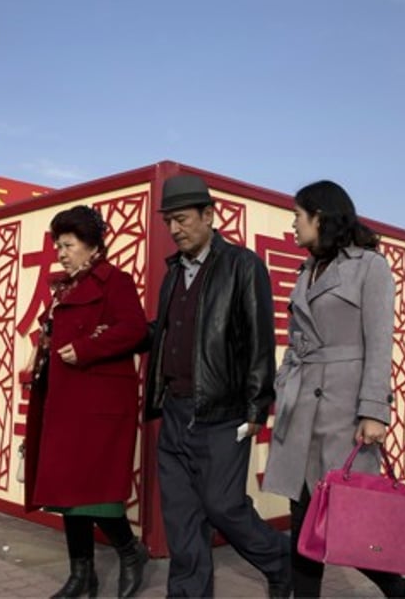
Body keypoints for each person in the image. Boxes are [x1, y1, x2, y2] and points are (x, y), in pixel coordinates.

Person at [262, 180, 405, 598]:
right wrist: (284, 384)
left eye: (298, 216)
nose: (293, 225)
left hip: (343, 412)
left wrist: (374, 409)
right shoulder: (306, 270)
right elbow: (296, 340)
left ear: (319, 217)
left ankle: (402, 592)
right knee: (303, 520)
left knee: (347, 519)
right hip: (301, 409)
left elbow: (380, 340)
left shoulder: (369, 266)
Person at [144, 174, 290, 598]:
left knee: (223, 506)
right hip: (174, 409)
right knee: (182, 515)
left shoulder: (242, 266)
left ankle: (281, 561)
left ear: (209, 215)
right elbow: (166, 330)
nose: (174, 229)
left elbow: (261, 342)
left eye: (182, 219)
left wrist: (256, 409)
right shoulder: (173, 275)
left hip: (222, 414)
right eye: (168, 221)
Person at [23, 205, 150, 598]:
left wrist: (86, 347)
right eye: (58, 245)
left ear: (92, 246)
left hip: (99, 407)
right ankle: (83, 575)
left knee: (96, 496)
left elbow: (134, 330)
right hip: (64, 405)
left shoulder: (116, 281)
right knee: (65, 494)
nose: (61, 253)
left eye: (68, 245)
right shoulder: (65, 289)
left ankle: (130, 553)